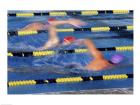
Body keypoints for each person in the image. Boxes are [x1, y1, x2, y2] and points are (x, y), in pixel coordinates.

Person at [19, 18, 113, 71]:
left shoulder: (55, 44)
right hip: (38, 56)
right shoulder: (54, 41)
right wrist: (67, 21)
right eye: (71, 41)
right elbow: (50, 24)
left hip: (39, 55)